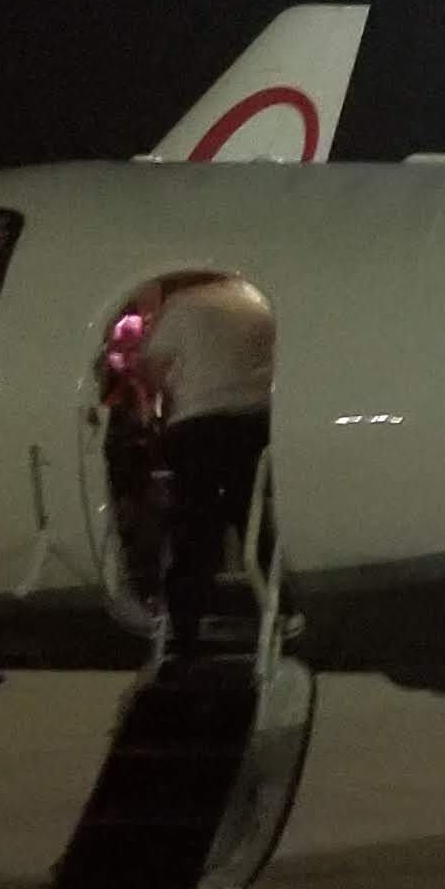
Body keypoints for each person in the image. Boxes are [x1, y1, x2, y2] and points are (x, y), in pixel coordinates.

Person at [137, 276, 274, 650]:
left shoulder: (183, 304)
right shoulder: (258, 301)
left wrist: (154, 404)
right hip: (256, 423)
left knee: (195, 526)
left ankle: (187, 624)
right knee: (254, 517)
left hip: (198, 425)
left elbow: (153, 367)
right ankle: (278, 606)